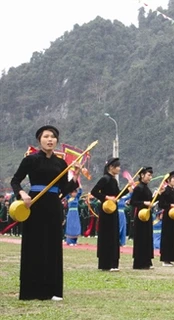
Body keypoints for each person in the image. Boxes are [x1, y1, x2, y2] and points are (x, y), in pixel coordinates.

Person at [10, 125, 80, 301]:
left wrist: (75, 176)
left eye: (53, 137)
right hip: (34, 204)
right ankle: (31, 290)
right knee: (34, 244)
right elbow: (15, 180)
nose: (50, 140)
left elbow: (64, 189)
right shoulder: (31, 160)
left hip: (53, 206)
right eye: (46, 136)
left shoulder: (61, 163)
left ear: (56, 140)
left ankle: (53, 290)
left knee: (52, 246)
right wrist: (22, 193)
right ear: (39, 140)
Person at [91, 158, 130, 272]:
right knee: (107, 235)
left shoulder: (113, 180)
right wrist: (107, 197)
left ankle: (113, 262)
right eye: (117, 166)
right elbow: (94, 192)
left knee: (113, 235)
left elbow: (117, 194)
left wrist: (128, 189)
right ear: (111, 167)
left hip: (113, 210)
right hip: (106, 210)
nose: (119, 168)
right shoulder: (105, 179)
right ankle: (106, 263)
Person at [130, 167, 155, 269]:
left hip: (147, 216)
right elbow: (133, 202)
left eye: (150, 175)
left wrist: (159, 195)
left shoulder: (147, 188)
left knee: (147, 238)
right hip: (140, 216)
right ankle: (139, 263)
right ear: (142, 175)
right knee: (141, 239)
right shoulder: (138, 188)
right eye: (148, 175)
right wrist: (144, 203)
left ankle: (147, 261)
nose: (150, 177)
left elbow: (151, 201)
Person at [158, 171, 174, 266]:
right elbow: (161, 204)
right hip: (168, 216)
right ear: (168, 180)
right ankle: (165, 259)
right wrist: (172, 205)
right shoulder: (165, 190)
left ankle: (172, 257)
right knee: (167, 236)